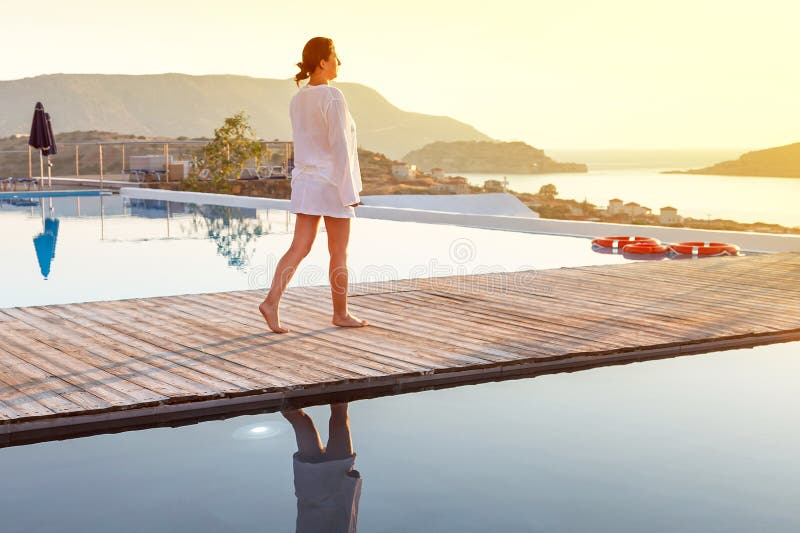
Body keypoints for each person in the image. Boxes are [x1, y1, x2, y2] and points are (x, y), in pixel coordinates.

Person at [259, 36, 368, 334]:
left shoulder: (299, 98)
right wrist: (349, 191)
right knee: (339, 252)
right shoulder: (332, 96)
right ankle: (341, 314)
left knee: (299, 247)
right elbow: (340, 146)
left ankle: (271, 302)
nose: (339, 62)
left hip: (306, 181)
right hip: (331, 183)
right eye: (336, 56)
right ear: (323, 61)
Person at [283, 403, 363, 532]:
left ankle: (283, 392)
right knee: (300, 420)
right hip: (317, 489)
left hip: (328, 489)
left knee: (337, 415)